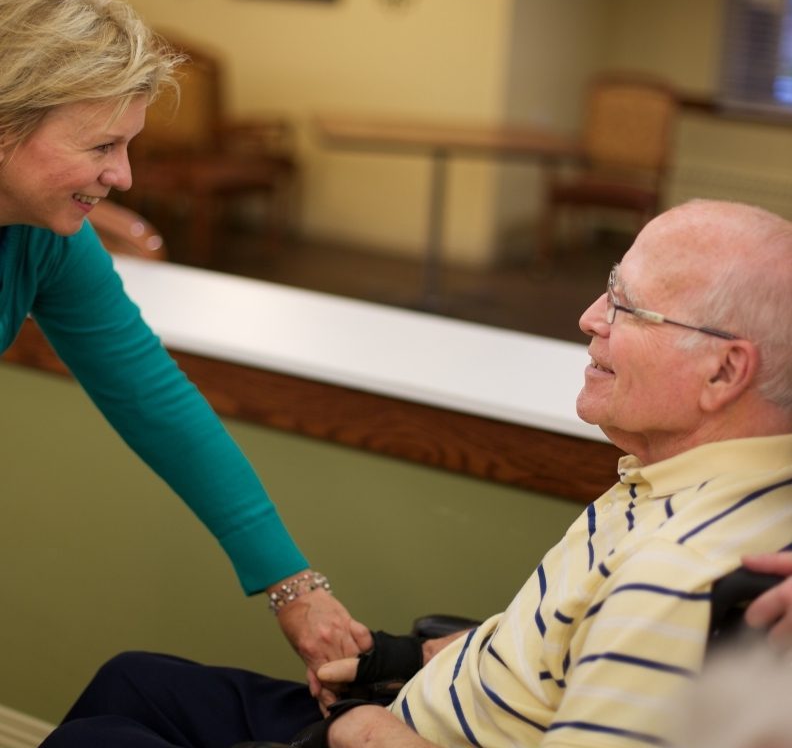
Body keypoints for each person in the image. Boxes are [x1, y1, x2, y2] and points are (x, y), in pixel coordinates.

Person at [39, 197, 792, 748]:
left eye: (628, 307)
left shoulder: (680, 576)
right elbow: (550, 652)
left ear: (725, 371)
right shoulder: (676, 478)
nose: (590, 316)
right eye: (608, 286)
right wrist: (404, 658)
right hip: (416, 700)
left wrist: (382, 737)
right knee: (133, 681)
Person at [0, 0, 370, 683]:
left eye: (129, 146)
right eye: (102, 146)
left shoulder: (45, 236)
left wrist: (292, 586)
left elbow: (149, 393)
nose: (125, 177)